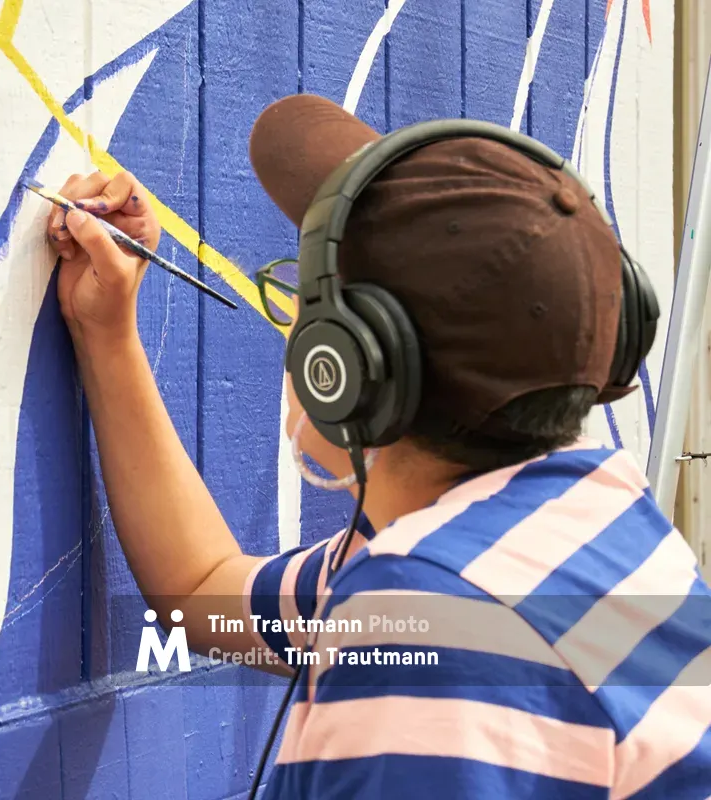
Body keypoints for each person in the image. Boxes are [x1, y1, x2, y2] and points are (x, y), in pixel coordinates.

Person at [42, 93, 711, 799]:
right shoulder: (581, 529)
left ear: (353, 364)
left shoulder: (435, 622)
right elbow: (201, 593)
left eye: (316, 293)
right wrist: (106, 331)